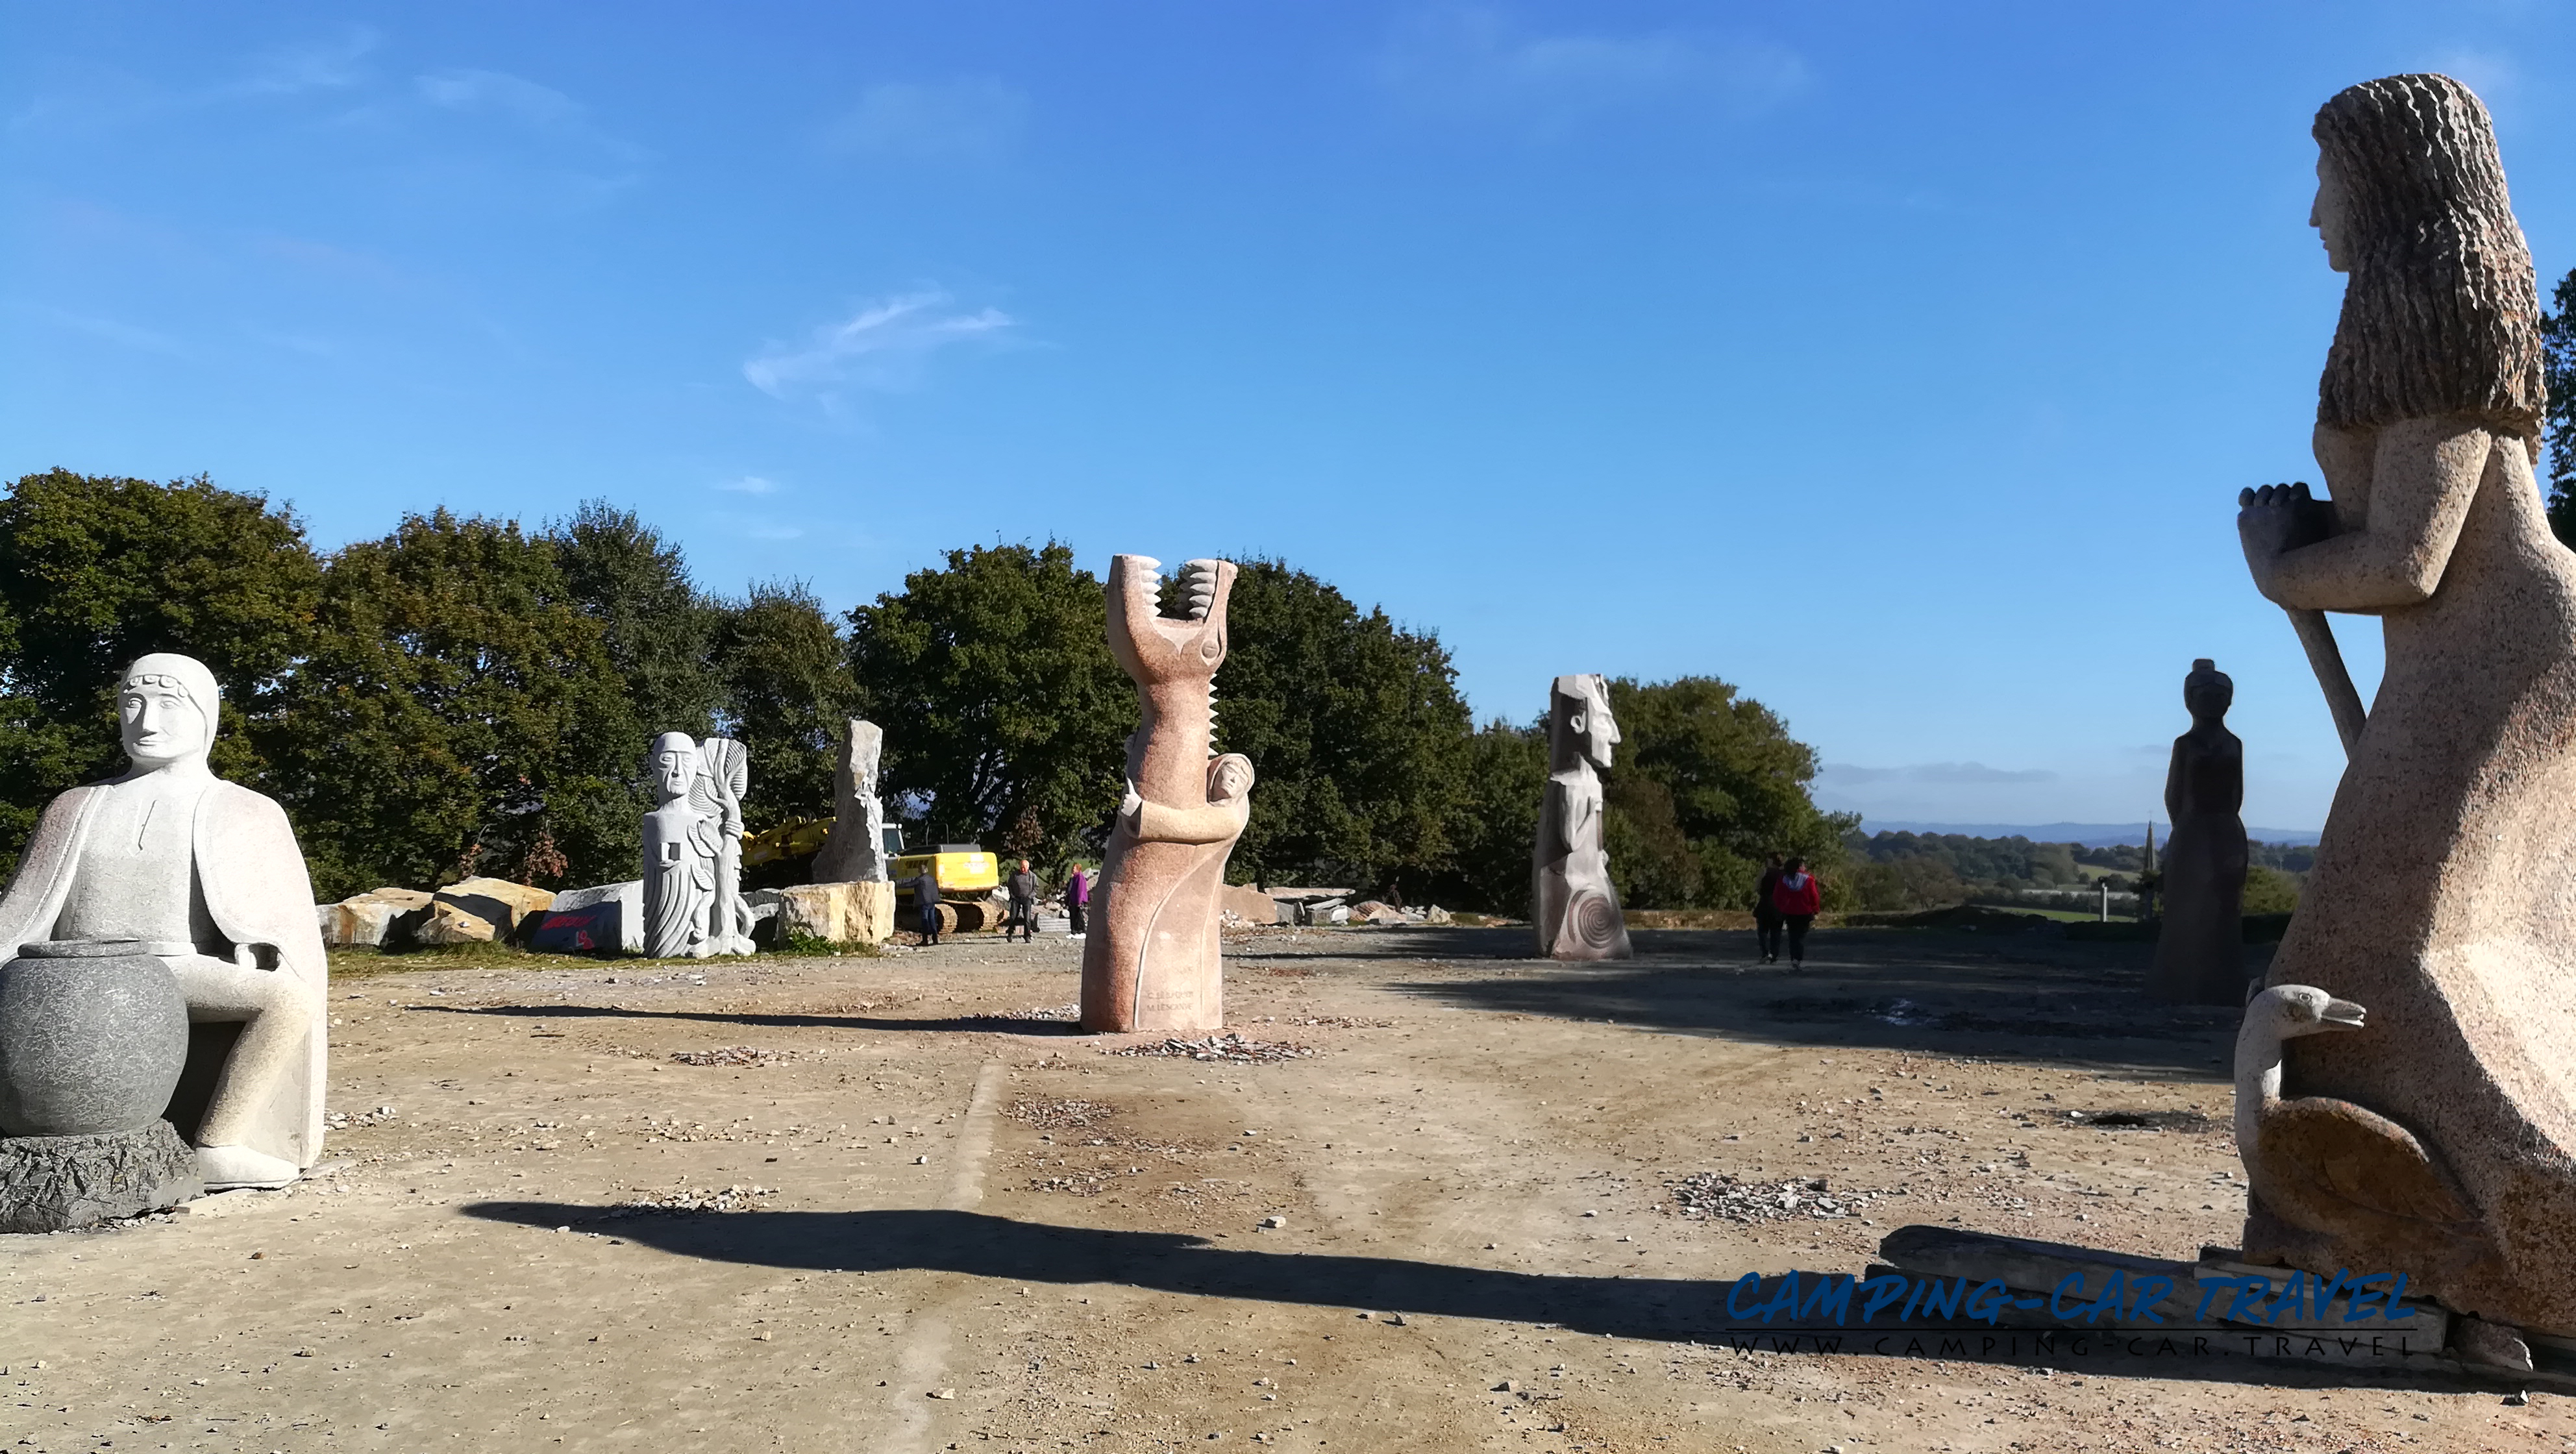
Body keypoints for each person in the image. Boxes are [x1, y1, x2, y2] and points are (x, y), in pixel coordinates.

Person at [1772, 857, 1822, 968]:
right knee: (1801, 936)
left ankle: (1794, 958)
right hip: (1805, 911)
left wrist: (1781, 908)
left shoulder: (1783, 879)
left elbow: (1776, 896)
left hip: (1789, 912)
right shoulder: (1808, 879)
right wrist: (1815, 909)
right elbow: (1814, 896)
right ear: (1800, 867)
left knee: (1792, 936)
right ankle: (1798, 958)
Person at [1752, 854, 1786, 963]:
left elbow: (1756, 888)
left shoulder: (1765, 872)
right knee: (1776, 932)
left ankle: (1765, 953)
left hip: (1765, 904)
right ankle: (1774, 955)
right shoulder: (1784, 875)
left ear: (1772, 861)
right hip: (1778, 906)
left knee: (1762, 931)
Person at [1004, 858, 1040, 943]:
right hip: (1016, 898)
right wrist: (1012, 895)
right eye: (1021, 866)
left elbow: (1036, 888)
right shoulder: (1014, 875)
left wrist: (1030, 897)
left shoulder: (1032, 876)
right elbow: (1009, 885)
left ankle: (1027, 936)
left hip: (1027, 899)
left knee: (1027, 918)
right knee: (1013, 916)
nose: (1023, 868)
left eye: (1024, 867)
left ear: (1028, 867)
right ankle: (1010, 933)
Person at [911, 863, 944, 946]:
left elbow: (910, 884)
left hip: (924, 902)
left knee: (925, 920)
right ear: (927, 870)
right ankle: (935, 939)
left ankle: (925, 940)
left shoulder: (920, 879)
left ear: (919, 871)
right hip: (931, 902)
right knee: (932, 920)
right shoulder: (931, 878)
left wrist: (897, 885)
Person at [1065, 864, 1089, 937]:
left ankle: (1080, 930)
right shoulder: (1074, 878)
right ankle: (1074, 930)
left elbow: (1080, 890)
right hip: (1073, 900)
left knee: (1079, 916)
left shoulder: (1080, 878)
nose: (1073, 870)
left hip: (1078, 900)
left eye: (1074, 868)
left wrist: (1079, 901)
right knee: (1074, 915)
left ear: (1078, 869)